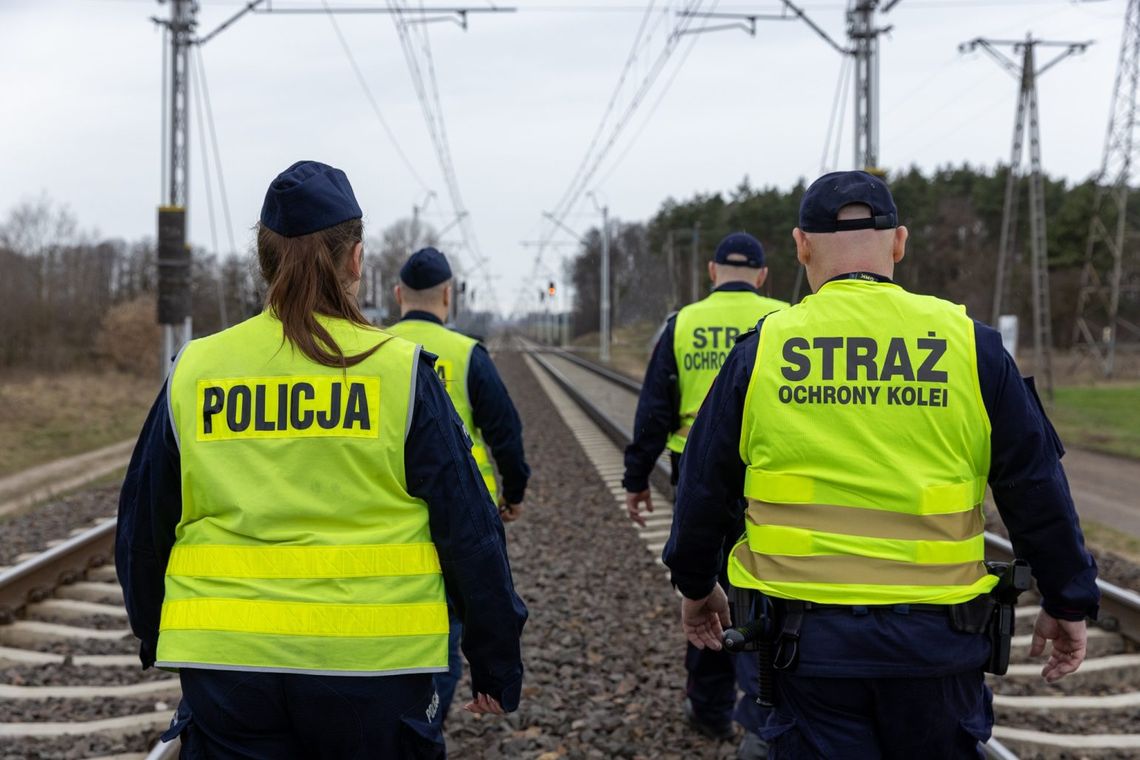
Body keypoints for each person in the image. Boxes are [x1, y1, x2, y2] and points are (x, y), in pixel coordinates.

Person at [664, 170, 1099, 759]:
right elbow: (1036, 486)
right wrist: (1067, 598)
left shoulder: (761, 350)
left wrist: (696, 584)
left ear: (801, 246)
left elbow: (703, 485)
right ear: (899, 243)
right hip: (937, 645)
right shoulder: (971, 346)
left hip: (807, 648)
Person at [116, 160, 527, 758]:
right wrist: (494, 658)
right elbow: (469, 530)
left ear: (264, 262)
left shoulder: (195, 369)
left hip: (228, 668)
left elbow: (141, 526)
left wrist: (154, 630)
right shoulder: (398, 371)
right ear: (356, 260)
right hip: (373, 667)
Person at [623, 232, 787, 751]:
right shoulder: (787, 319)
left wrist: (636, 477)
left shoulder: (682, 323)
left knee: (705, 587)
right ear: (763, 276)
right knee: (771, 590)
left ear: (712, 272)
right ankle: (770, 705)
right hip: (770, 480)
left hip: (697, 477)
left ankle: (711, 710)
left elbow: (654, 410)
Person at [386, 245, 530, 722]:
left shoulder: (372, 351)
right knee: (446, 625)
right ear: (449, 295)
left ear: (397, 295)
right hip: (460, 521)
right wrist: (513, 493)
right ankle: (427, 720)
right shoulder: (469, 355)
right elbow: (506, 434)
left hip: (390, 522)